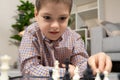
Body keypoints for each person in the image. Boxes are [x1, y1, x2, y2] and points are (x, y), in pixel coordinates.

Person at [19, 0, 112, 78]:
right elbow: (28, 70)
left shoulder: (75, 38)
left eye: (62, 18)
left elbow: (81, 65)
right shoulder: (31, 33)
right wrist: (67, 72)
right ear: (36, 14)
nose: (55, 25)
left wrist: (92, 63)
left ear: (68, 16)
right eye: (47, 17)